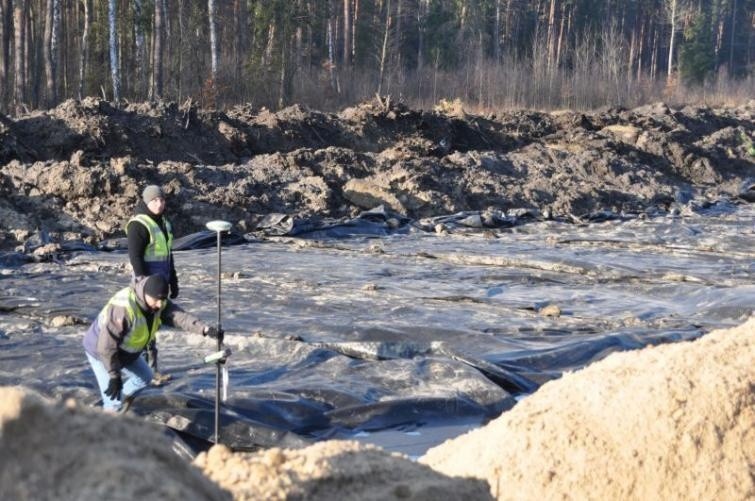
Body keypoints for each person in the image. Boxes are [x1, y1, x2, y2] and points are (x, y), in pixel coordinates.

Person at [83, 274, 222, 413]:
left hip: (126, 352)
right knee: (114, 402)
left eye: (163, 300)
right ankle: (107, 424)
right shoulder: (123, 309)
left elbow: (180, 318)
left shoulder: (158, 302)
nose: (160, 304)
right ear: (145, 294)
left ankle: (119, 402)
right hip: (100, 352)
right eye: (156, 300)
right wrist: (114, 376)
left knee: (145, 377)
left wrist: (205, 329)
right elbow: (106, 346)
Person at [126, 185, 178, 383]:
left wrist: (173, 281)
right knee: (144, 330)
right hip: (145, 286)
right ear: (147, 202)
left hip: (160, 284)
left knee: (153, 328)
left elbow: (168, 255)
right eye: (155, 200)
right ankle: (144, 372)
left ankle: (150, 371)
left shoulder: (164, 223)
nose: (159, 204)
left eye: (162, 200)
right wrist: (143, 285)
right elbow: (135, 258)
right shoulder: (138, 225)